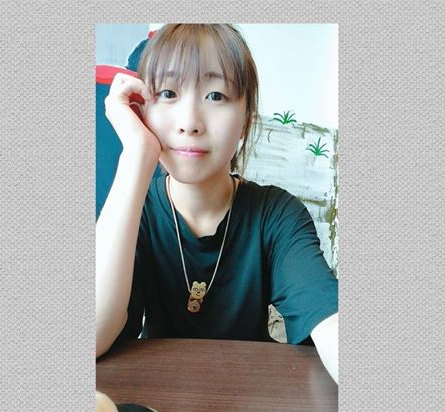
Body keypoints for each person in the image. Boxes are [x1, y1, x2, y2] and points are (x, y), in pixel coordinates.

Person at [96, 24, 338, 384]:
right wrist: (136, 154)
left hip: (254, 399)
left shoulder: (277, 215)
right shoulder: (134, 210)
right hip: (155, 400)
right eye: (168, 93)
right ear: (143, 111)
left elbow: (331, 325)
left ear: (246, 120)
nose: (190, 123)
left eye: (216, 95)